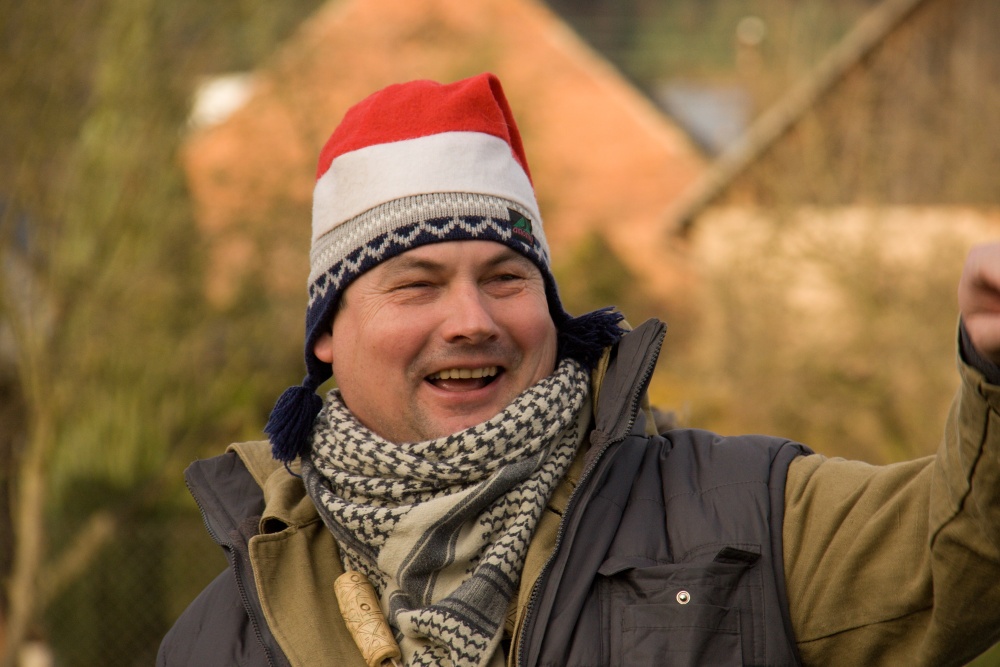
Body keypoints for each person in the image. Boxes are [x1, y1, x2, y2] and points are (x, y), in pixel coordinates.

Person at [158, 73, 1000, 667]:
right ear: (326, 336)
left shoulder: (746, 516)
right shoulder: (219, 639)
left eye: (506, 277)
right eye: (417, 284)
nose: (472, 320)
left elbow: (960, 556)